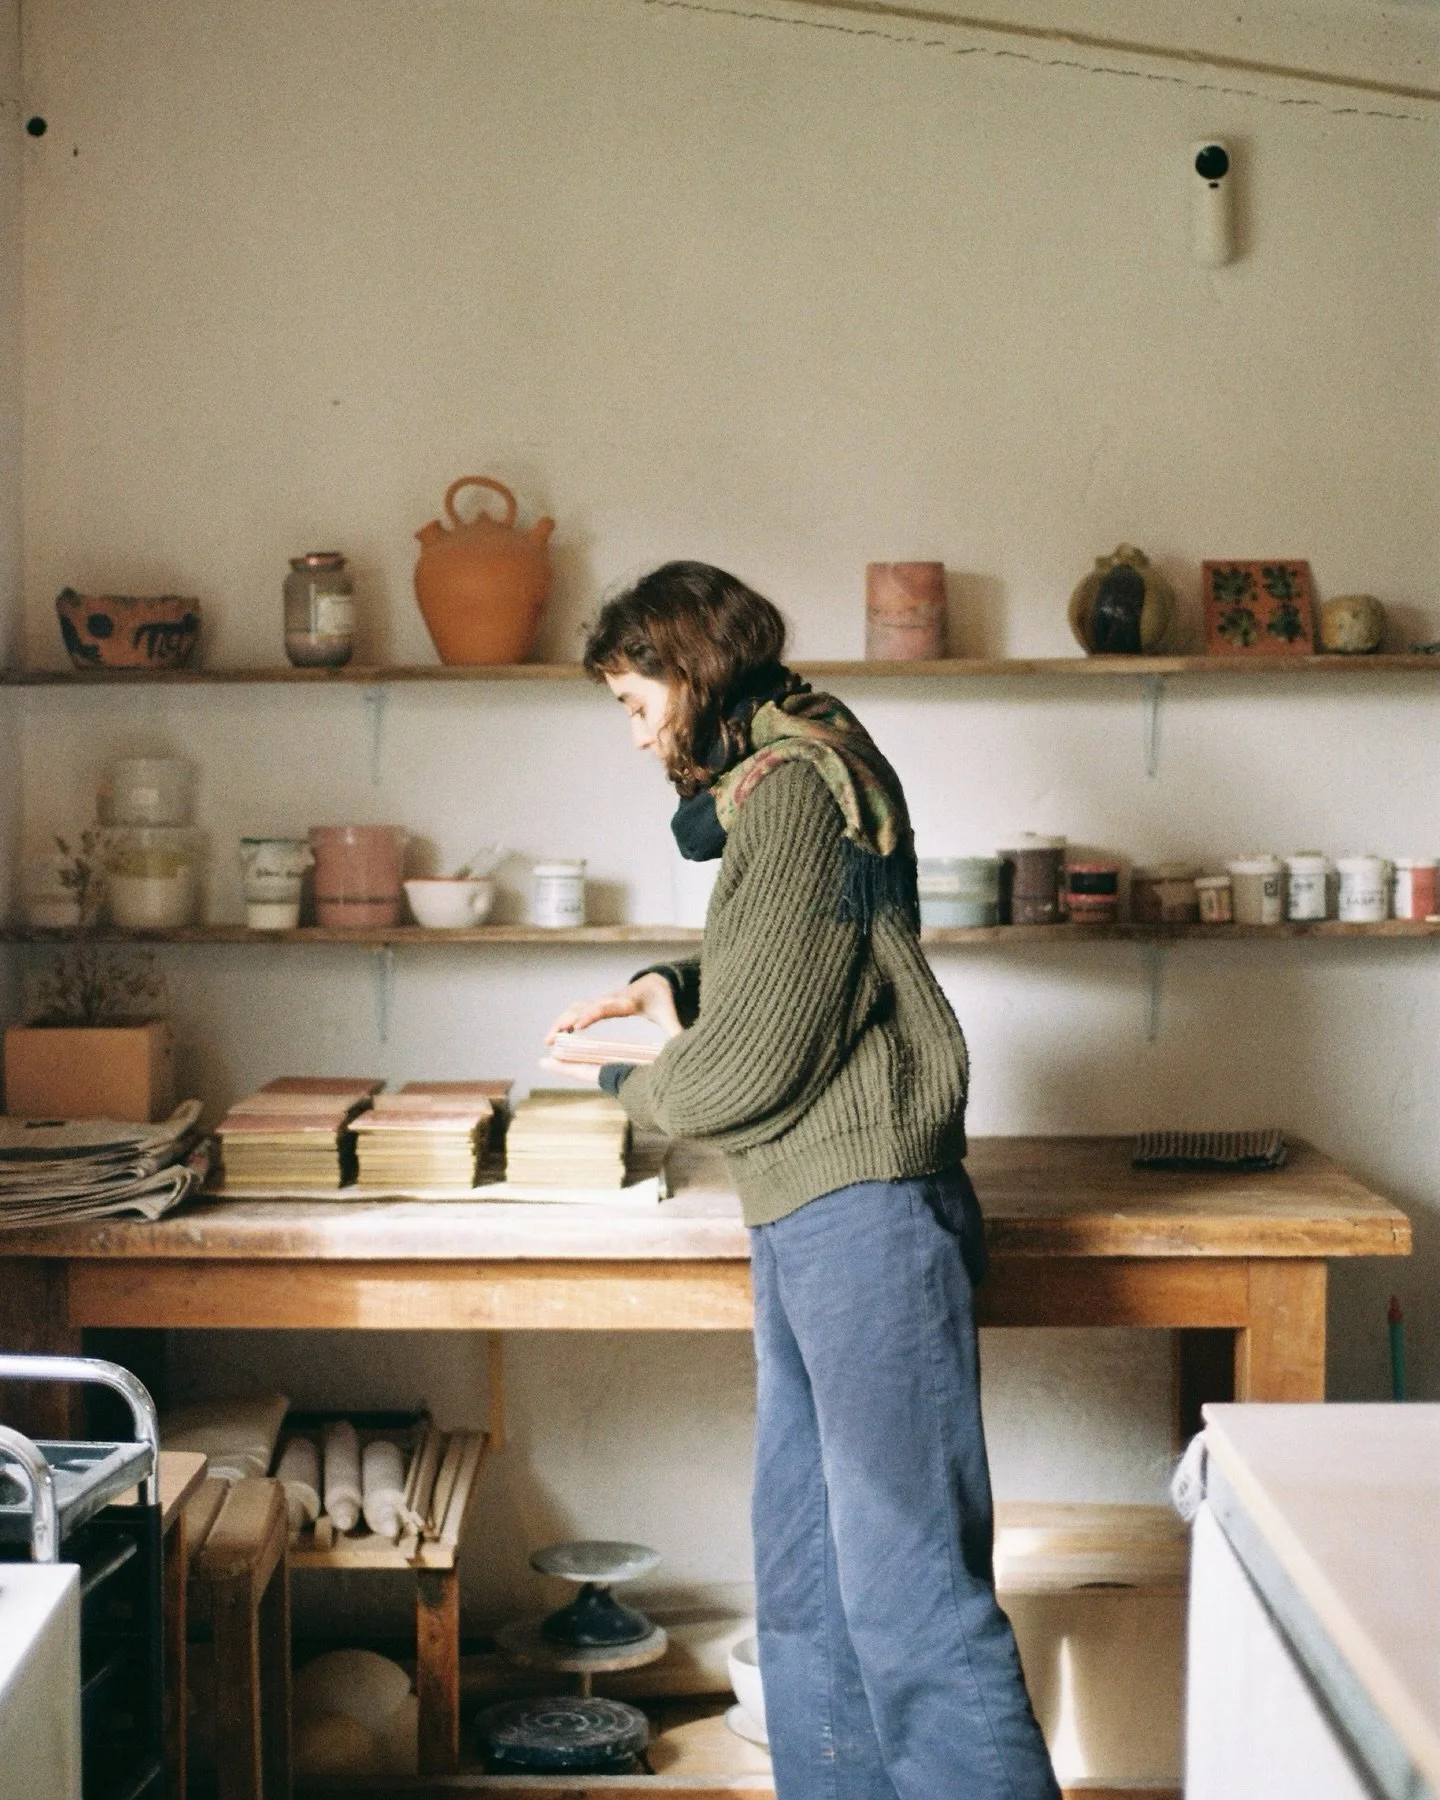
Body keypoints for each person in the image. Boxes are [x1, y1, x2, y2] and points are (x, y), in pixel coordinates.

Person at [543, 561, 1060, 1800]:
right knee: (812, 1584)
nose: (635, 735)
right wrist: (677, 987)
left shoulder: (789, 791)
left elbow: (750, 1069)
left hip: (862, 1216)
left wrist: (623, 1084)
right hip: (819, 1209)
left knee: (909, 1598)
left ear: (692, 672)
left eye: (634, 702)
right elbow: (818, 960)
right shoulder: (810, 755)